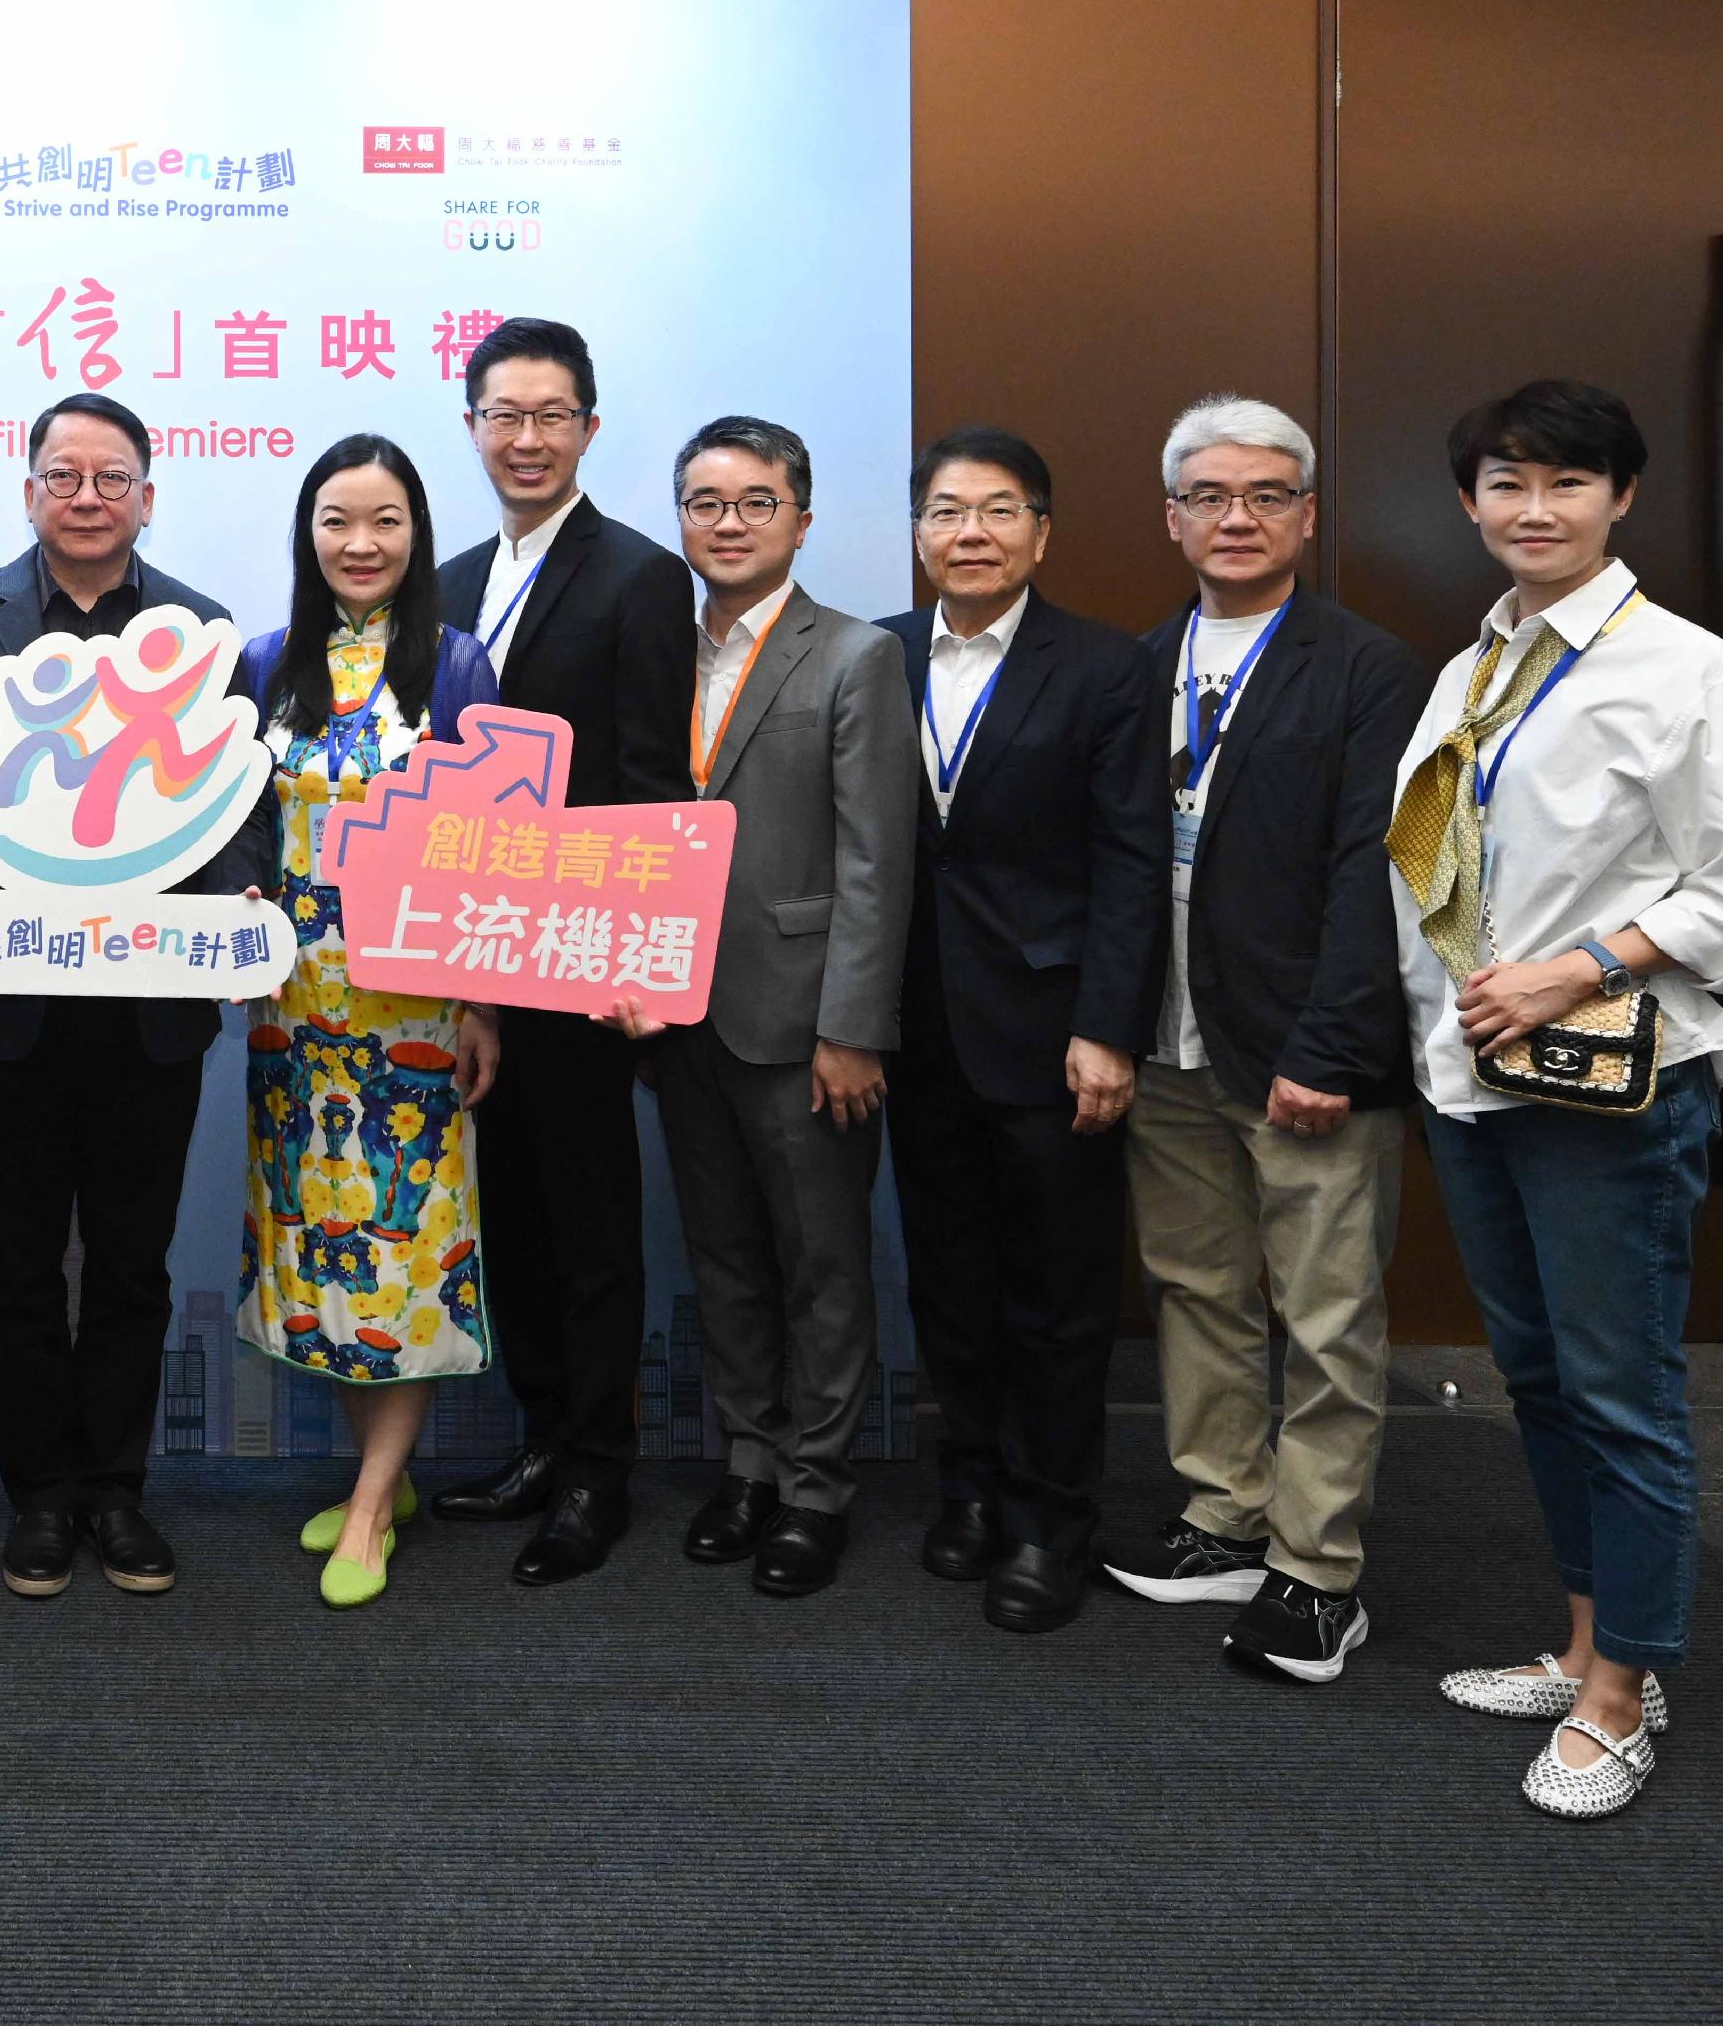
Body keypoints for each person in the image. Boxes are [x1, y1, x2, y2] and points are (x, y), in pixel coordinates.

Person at [1395, 380, 1723, 1818]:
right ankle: (1584, 1640)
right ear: (1470, 502)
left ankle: (1626, 1694)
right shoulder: (1478, 664)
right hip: (1476, 1077)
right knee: (1542, 1379)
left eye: (1567, 484)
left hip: (1611, 1085)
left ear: (1622, 498)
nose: (1534, 510)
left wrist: (1572, 967)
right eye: (1507, 484)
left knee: (1624, 1393)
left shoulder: (1690, 669)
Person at [0, 391, 267, 1600]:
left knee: (130, 1261)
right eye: (64, 477)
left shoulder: (201, 629)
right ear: (28, 492)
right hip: (3, 1002)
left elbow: (235, 822)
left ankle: (116, 1492)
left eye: (111, 478)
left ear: (148, 496)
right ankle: (39, 1498)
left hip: (149, 1011)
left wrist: (229, 915)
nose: (88, 498)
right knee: (13, 1259)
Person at [1101, 396, 1428, 1686]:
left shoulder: (1365, 668)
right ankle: (1223, 1515)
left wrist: (1331, 1048)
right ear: (1170, 516)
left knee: (1328, 1314)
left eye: (1266, 495)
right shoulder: (1139, 665)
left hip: (1302, 1051)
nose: (1236, 518)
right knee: (1195, 1290)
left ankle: (1316, 1571)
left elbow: (1376, 876)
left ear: (1306, 513)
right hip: (1167, 1044)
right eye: (1208, 496)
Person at [876, 427, 1169, 1635]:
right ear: (916, 532)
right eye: (946, 512)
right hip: (912, 1026)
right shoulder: (873, 657)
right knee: (948, 1282)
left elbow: (1132, 859)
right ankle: (974, 1487)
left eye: (998, 513)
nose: (970, 535)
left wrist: (1109, 1027)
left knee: (1057, 1294)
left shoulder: (1101, 668)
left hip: (1053, 1035)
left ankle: (1054, 1520)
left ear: (1040, 536)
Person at [625, 416, 914, 1598]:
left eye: (753, 501)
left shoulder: (852, 655)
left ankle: (815, 1485)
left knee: (822, 1263)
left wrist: (852, 1029)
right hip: (671, 1012)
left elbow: (874, 864)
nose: (726, 522)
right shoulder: (652, 652)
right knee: (724, 1255)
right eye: (703, 502)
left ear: (801, 517)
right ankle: (746, 1459)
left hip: (802, 1022)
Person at [429, 316, 696, 1584]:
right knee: (514, 1217)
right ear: (471, 424)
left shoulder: (640, 576)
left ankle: (598, 1472)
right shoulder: (445, 581)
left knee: (591, 1223)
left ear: (589, 429)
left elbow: (650, 779)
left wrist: (631, 960)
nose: (525, 438)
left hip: (585, 957)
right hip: (474, 957)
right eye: (503, 415)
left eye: (551, 416)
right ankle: (540, 1438)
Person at [230, 435, 504, 1608]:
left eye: (384, 521)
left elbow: (496, 845)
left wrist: (483, 999)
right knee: (323, 1257)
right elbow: (235, 818)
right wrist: (232, 912)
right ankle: (373, 1491)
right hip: (291, 1009)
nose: (359, 543)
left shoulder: (455, 664)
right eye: (337, 520)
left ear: (417, 534)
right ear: (308, 533)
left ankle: (371, 1503)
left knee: (400, 1255)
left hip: (414, 1013)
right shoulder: (261, 660)